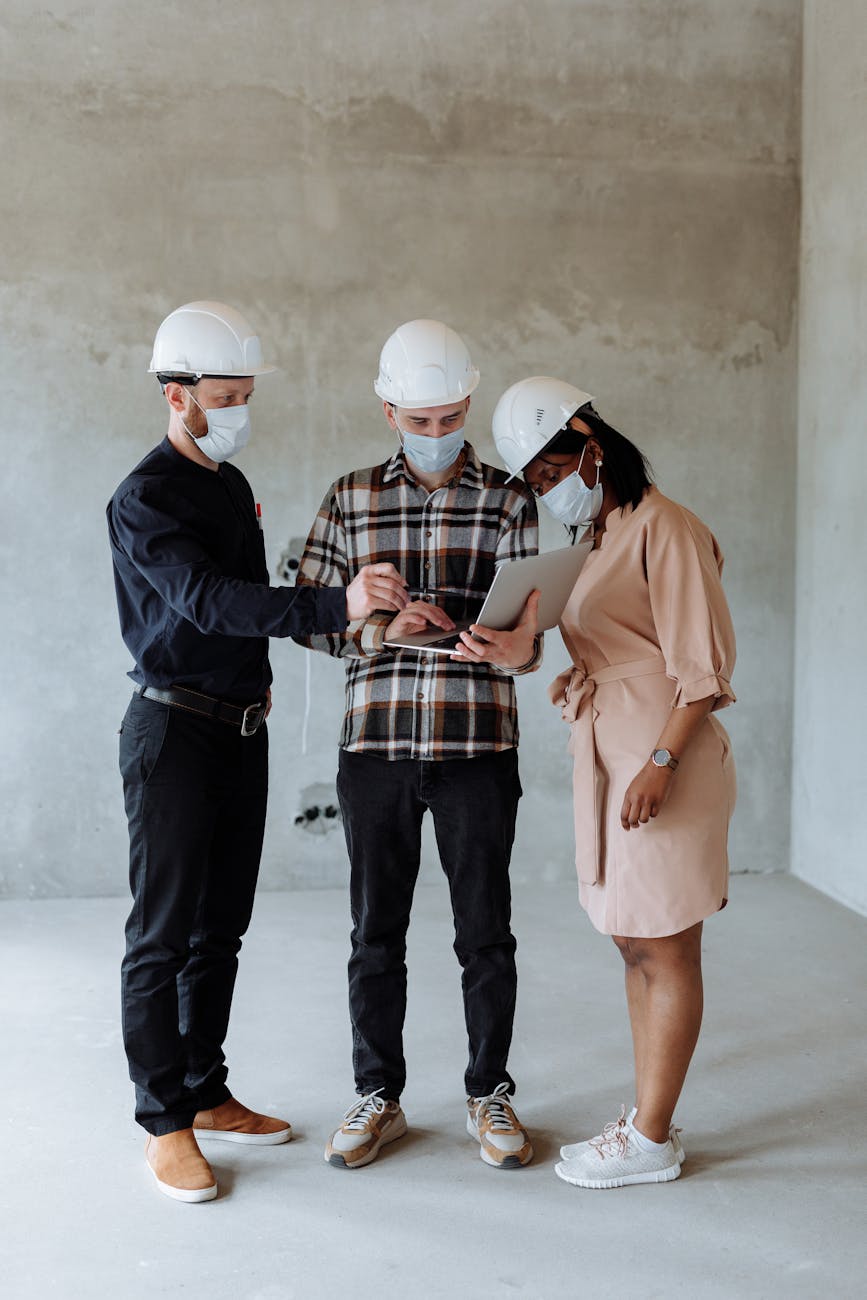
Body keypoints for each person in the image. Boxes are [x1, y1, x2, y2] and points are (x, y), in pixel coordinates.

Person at [106, 301, 407, 1203]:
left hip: (238, 728)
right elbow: (206, 601)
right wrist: (334, 605)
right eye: (224, 396)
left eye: (245, 395)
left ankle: (204, 1090)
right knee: (159, 938)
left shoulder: (230, 488)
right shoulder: (144, 499)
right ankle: (163, 1122)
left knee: (219, 931)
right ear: (176, 394)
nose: (238, 411)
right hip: (171, 733)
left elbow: (243, 602)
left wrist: (263, 675)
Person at [475, 374, 737, 1189]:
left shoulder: (668, 528)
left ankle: (652, 1139)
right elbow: (597, 644)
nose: (549, 493)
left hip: (664, 762)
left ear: (590, 449)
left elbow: (702, 669)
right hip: (611, 758)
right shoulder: (597, 538)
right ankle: (646, 1119)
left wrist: (660, 763)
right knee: (631, 941)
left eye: (553, 476)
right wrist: (533, 660)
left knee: (665, 944)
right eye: (537, 484)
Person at [295, 319, 541, 1170]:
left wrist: (513, 645)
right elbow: (311, 622)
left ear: (468, 401)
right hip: (376, 747)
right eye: (417, 420)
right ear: (388, 407)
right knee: (376, 932)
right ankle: (378, 1095)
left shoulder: (511, 499)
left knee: (485, 931)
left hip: (477, 742)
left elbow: (536, 627)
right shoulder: (348, 496)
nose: (434, 434)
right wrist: (375, 626)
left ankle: (489, 1093)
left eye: (448, 418)